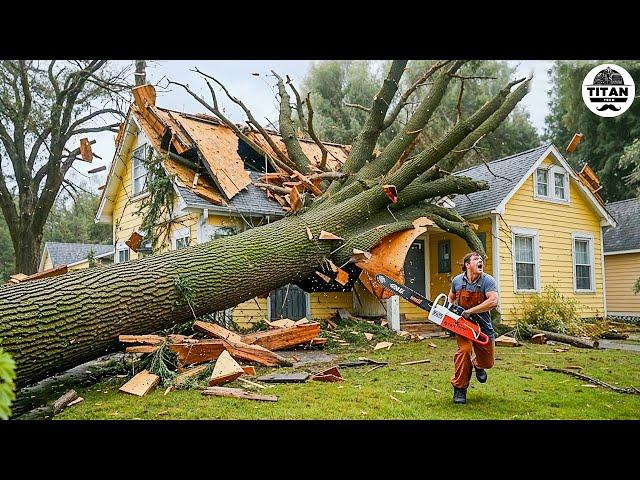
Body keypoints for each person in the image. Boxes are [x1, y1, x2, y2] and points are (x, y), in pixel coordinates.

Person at [447, 251, 499, 404]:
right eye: (476, 259)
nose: (480, 260)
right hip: (463, 325)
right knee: (464, 351)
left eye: (481, 259)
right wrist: (450, 310)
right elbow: (451, 297)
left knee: (488, 362)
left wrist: (470, 311)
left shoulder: (487, 280)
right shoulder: (457, 281)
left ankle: (478, 365)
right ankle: (460, 389)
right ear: (467, 265)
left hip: (483, 325)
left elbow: (493, 301)